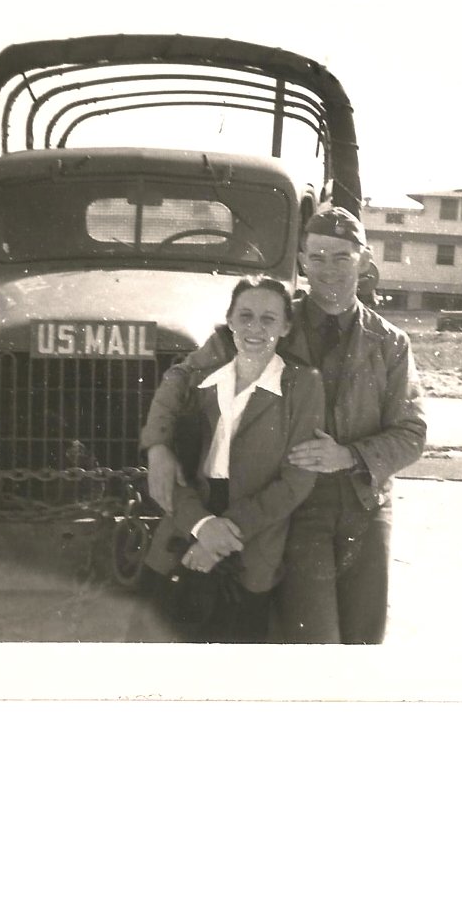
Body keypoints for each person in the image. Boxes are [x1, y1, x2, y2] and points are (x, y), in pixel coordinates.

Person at [142, 207, 426, 644]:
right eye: (318, 257)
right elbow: (181, 376)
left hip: (365, 503)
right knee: (312, 636)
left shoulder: (389, 342)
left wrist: (349, 455)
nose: (328, 269)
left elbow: (412, 433)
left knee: (365, 637)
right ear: (302, 262)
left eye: (342, 257)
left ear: (366, 261)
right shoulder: (269, 318)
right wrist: (158, 445)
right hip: (296, 504)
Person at [140, 276, 324, 643]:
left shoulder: (304, 386)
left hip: (253, 536)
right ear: (230, 320)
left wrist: (218, 539)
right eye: (246, 316)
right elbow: (173, 473)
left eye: (269, 319)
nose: (255, 328)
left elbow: (296, 482)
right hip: (185, 522)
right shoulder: (201, 378)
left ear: (286, 327)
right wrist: (200, 525)